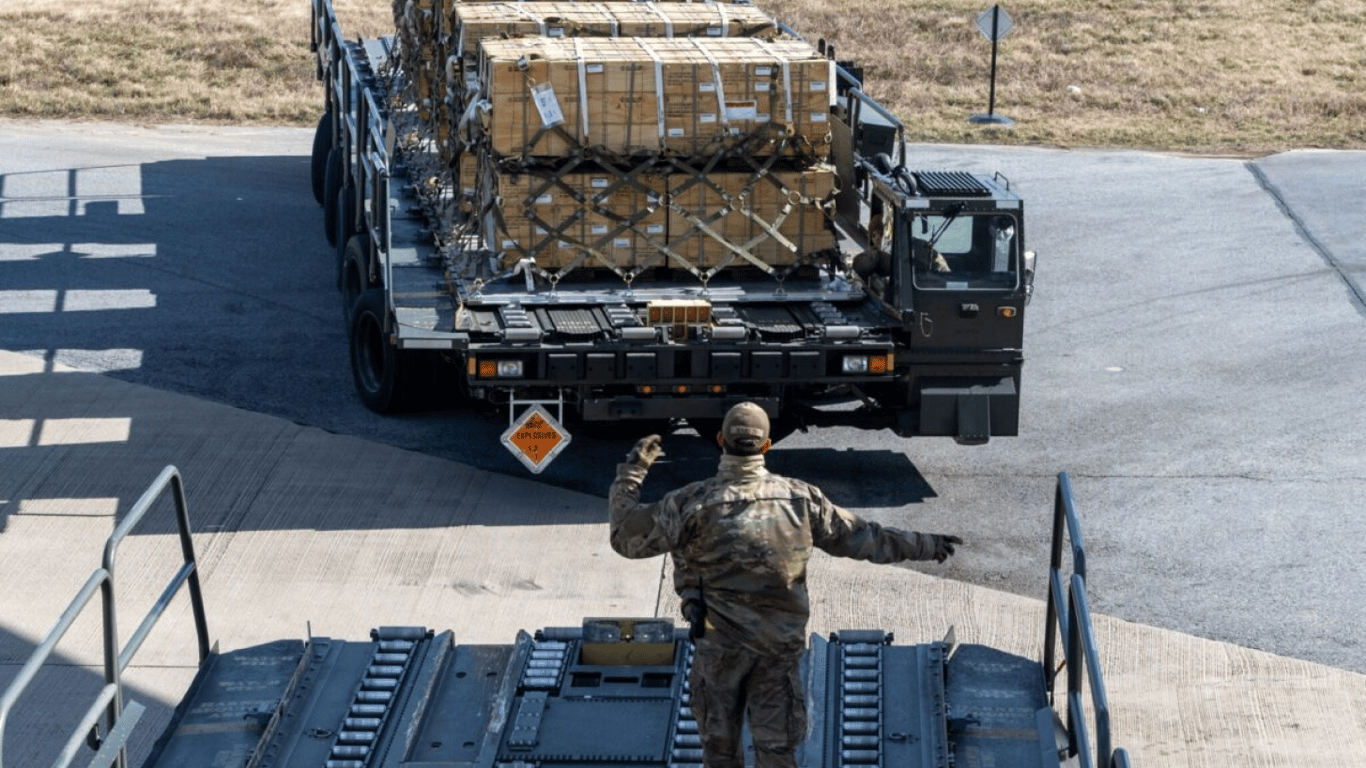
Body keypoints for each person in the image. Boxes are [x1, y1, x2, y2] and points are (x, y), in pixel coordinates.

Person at [607, 402, 962, 768]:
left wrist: (632, 473)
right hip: (777, 652)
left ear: (720, 440)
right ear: (766, 445)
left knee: (719, 751)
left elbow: (624, 538)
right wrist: (927, 545)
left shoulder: (688, 504)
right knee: (777, 751)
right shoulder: (801, 500)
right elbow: (864, 538)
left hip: (718, 651)